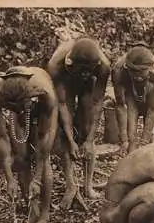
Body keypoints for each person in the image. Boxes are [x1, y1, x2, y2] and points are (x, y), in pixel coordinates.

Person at [0, 66, 58, 223]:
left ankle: (44, 216)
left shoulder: (44, 93)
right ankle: (31, 209)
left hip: (43, 110)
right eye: (13, 107)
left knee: (43, 159)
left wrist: (38, 179)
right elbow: (2, 138)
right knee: (21, 159)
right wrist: (10, 179)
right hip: (21, 106)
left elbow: (43, 141)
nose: (18, 110)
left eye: (20, 106)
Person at [47, 38, 111, 206]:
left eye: (88, 71)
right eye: (82, 71)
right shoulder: (56, 65)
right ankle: (70, 185)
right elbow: (62, 104)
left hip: (87, 87)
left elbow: (97, 103)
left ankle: (88, 186)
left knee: (85, 123)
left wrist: (89, 140)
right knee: (63, 131)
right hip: (65, 83)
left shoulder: (103, 66)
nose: (85, 74)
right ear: (71, 63)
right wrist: (70, 140)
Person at [112, 42, 154, 154]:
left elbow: (152, 110)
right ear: (127, 67)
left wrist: (144, 142)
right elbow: (120, 105)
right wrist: (124, 139)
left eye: (141, 72)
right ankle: (131, 153)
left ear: (151, 68)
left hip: (151, 88)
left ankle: (148, 152)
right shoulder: (118, 70)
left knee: (150, 136)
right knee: (131, 135)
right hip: (130, 91)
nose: (138, 77)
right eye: (134, 72)